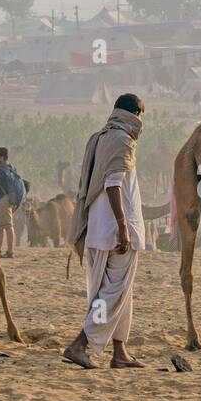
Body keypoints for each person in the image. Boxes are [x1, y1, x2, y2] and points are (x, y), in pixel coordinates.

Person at [63, 94, 146, 370]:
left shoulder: (98, 138)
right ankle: (80, 344)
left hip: (98, 229)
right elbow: (113, 184)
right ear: (136, 114)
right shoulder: (122, 140)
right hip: (116, 231)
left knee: (119, 292)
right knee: (110, 295)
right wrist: (123, 226)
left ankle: (120, 352)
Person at [0, 147, 26, 259]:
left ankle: (10, 252)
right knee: (1, 226)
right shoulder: (11, 168)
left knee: (8, 226)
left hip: (2, 201)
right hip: (9, 200)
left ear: (1, 157)